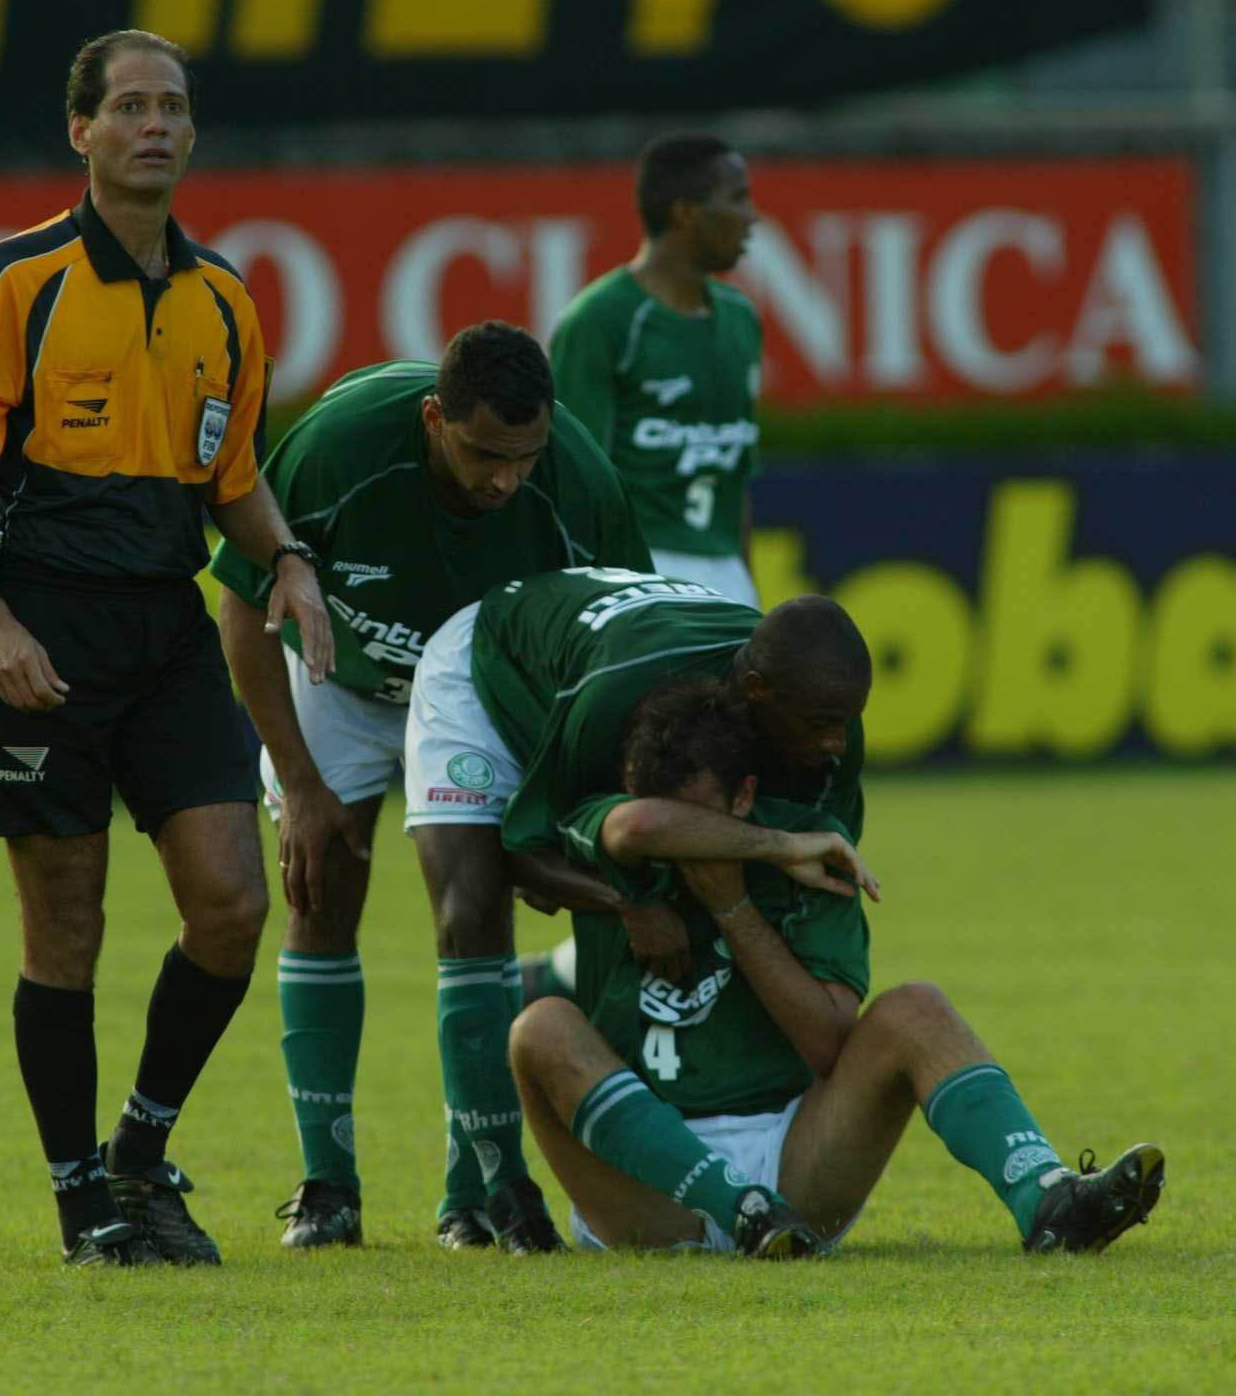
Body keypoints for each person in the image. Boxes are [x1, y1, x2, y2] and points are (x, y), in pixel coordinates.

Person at [0, 29, 333, 1270]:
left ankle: (140, 1153)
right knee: (67, 925)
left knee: (233, 905)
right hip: (40, 628)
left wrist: (288, 558)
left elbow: (231, 480)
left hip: (167, 629)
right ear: (79, 131)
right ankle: (76, 1190)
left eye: (174, 107)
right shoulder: (18, 280)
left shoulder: (224, 298)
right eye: (130, 106)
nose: (156, 125)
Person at [209, 326, 657, 1254]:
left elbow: (620, 662)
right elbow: (244, 610)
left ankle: (476, 1192)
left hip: (474, 695)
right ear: (431, 418)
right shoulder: (339, 449)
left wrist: (554, 813)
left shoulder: (578, 483)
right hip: (338, 670)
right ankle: (327, 1186)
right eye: (484, 453)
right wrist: (298, 783)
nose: (505, 481)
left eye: (523, 459)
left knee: (473, 904)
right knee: (321, 885)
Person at [509, 678, 1167, 1257]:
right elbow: (621, 834)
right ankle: (737, 1207)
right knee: (539, 1028)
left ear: (744, 798)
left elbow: (827, 1044)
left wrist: (732, 903)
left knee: (916, 1008)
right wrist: (632, 898)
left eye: (697, 818)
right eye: (667, 820)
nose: (680, 841)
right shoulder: (609, 833)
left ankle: (1050, 1201)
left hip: (797, 1168)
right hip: (643, 1195)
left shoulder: (814, 857)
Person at [407, 566, 875, 1208]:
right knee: (470, 908)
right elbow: (525, 857)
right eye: (823, 723)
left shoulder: (824, 716)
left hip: (627, 642)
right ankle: (482, 1196)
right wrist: (632, 903)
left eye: (848, 721)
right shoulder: (614, 706)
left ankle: (558, 979)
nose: (838, 741)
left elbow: (806, 889)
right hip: (497, 665)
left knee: (694, 871)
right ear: (760, 690)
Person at [551, 134, 764, 608]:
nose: (753, 216)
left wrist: (747, 585)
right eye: (738, 198)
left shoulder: (741, 319)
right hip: (638, 574)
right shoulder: (600, 321)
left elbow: (735, 475)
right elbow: (573, 484)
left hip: (728, 575)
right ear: (687, 213)